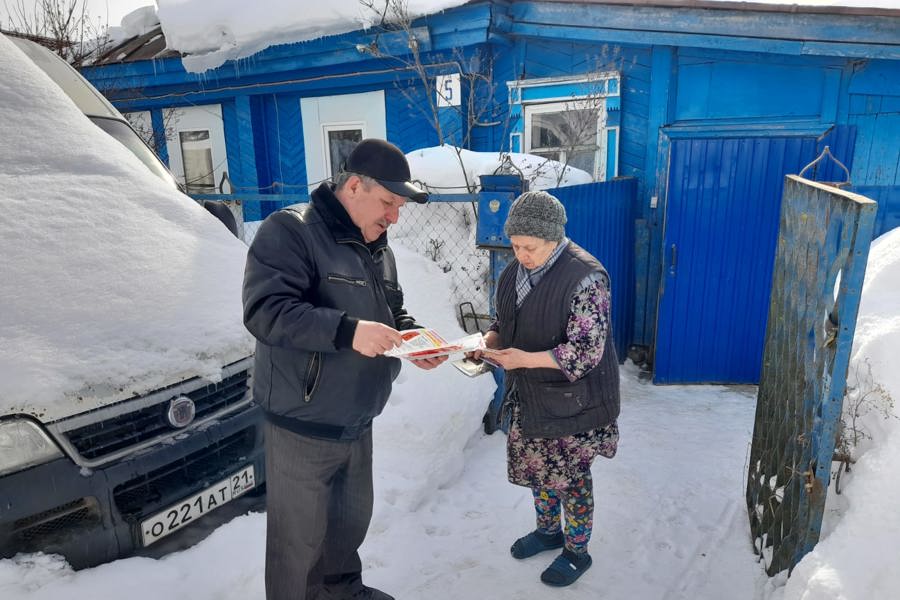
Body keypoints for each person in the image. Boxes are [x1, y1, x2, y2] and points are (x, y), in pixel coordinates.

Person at [242, 138, 446, 600]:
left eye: (399, 207)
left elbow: (391, 313)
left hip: (357, 416)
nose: (394, 216)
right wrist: (347, 331)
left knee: (349, 523)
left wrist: (414, 340)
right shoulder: (290, 231)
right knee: (299, 542)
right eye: (389, 203)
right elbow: (266, 311)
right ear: (354, 186)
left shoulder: (376, 246)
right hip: (304, 419)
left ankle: (343, 591)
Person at [472, 190, 620, 587]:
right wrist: (486, 343)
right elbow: (503, 323)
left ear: (554, 238)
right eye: (515, 245)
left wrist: (522, 359)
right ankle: (548, 531)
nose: (521, 254)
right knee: (540, 469)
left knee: (571, 477)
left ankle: (576, 550)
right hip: (533, 397)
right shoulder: (513, 273)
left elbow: (586, 352)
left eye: (529, 246)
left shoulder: (586, 276)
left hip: (575, 401)